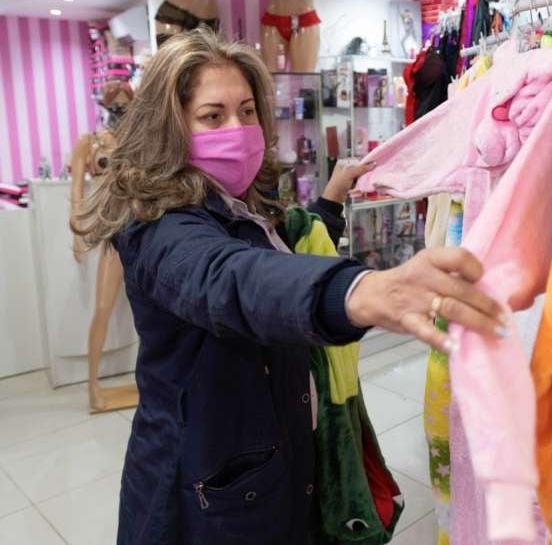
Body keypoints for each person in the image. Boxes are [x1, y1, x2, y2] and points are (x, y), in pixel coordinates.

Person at [72, 27, 506, 544]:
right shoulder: (159, 227)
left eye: (248, 110)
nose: (238, 127)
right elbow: (226, 276)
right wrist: (355, 291)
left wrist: (328, 203)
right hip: (209, 492)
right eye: (213, 116)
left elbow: (277, 251)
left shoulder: (243, 204)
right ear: (171, 128)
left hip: (275, 460)